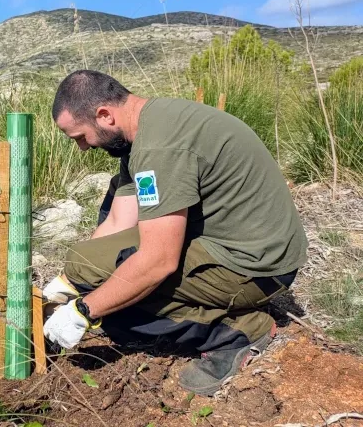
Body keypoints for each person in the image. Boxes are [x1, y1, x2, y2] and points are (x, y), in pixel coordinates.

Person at [42, 69, 307, 396]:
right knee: (93, 269)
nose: (83, 148)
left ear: (104, 115)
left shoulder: (159, 148)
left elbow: (158, 262)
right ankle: (217, 310)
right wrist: (67, 283)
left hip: (255, 267)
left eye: (80, 137)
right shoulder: (144, 129)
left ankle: (238, 332)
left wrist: (84, 311)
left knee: (118, 312)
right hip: (232, 240)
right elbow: (116, 225)